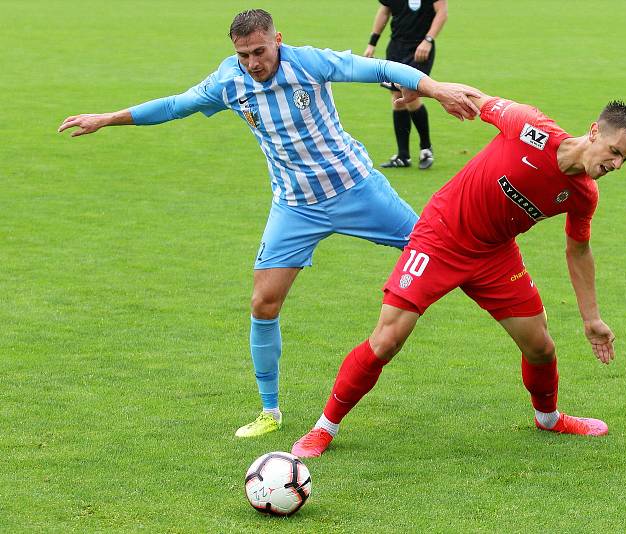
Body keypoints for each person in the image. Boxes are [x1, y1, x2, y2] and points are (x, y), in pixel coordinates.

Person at [58, 9, 480, 438]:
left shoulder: (309, 63)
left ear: (277, 39)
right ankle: (269, 411)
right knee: (263, 303)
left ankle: (506, 298)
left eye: (259, 51)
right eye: (243, 55)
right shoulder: (229, 81)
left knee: (439, 250)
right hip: (295, 207)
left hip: (358, 190)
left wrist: (436, 88)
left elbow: (380, 67)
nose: (252, 63)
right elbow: (175, 105)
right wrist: (107, 118)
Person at [291, 90, 626, 458]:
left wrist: (591, 319)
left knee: (540, 347)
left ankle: (549, 418)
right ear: (594, 132)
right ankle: (324, 428)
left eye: (625, 159)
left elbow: (578, 251)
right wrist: (426, 90)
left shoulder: (584, 195)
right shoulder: (530, 127)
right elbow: (478, 99)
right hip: (441, 237)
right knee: (387, 339)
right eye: (615, 151)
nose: (617, 164)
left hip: (496, 255)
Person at [364, 0, 448, 170]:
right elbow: (384, 11)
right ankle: (403, 156)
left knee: (410, 95)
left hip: (420, 49)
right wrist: (372, 43)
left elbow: (442, 12)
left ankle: (426, 149)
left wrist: (428, 40)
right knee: (396, 97)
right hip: (396, 48)